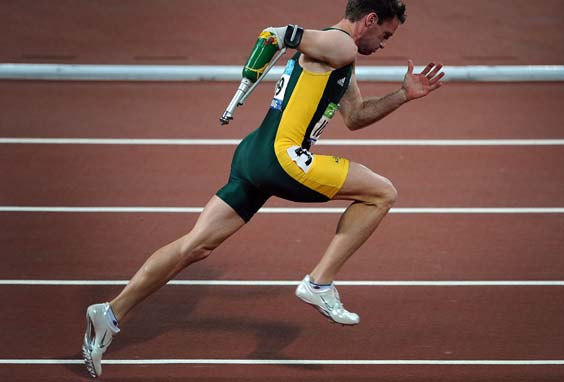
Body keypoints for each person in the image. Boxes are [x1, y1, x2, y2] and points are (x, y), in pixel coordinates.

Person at [83, 0, 444, 377]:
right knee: (382, 192)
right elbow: (278, 34)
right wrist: (275, 42)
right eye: (385, 34)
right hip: (283, 158)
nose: (384, 43)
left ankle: (109, 313)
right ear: (370, 19)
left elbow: (355, 116)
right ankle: (320, 282)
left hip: (253, 156)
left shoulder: (339, 55)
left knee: (195, 246)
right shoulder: (340, 45)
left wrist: (403, 95)